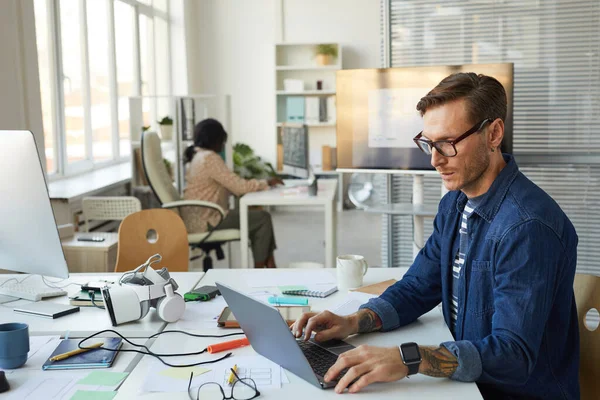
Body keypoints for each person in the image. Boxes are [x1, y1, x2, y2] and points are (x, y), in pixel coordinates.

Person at [292, 73, 579, 398]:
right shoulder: (455, 204)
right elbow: (420, 286)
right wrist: (355, 321)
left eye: (448, 143)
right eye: (428, 142)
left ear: (494, 134)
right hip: (467, 383)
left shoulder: (527, 227)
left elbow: (513, 355)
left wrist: (407, 359)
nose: (434, 160)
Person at [182, 118, 282, 268]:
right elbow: (239, 187)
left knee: (257, 217)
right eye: (222, 141)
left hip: (199, 216)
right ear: (214, 140)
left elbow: (231, 184)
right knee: (262, 219)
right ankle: (262, 270)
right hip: (207, 220)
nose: (222, 146)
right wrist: (265, 182)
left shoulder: (199, 156)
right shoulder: (210, 158)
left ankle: (269, 264)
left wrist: (252, 184)